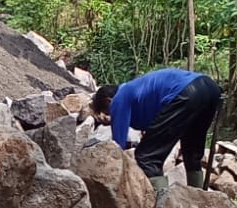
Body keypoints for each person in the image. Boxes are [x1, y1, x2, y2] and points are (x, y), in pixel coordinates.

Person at [92, 68, 224, 191]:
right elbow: (158, 126)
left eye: (108, 113)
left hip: (185, 91)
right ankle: (199, 200)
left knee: (147, 157)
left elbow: (118, 147)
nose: (111, 117)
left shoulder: (119, 98)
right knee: (191, 152)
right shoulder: (138, 91)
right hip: (210, 88)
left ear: (109, 101)